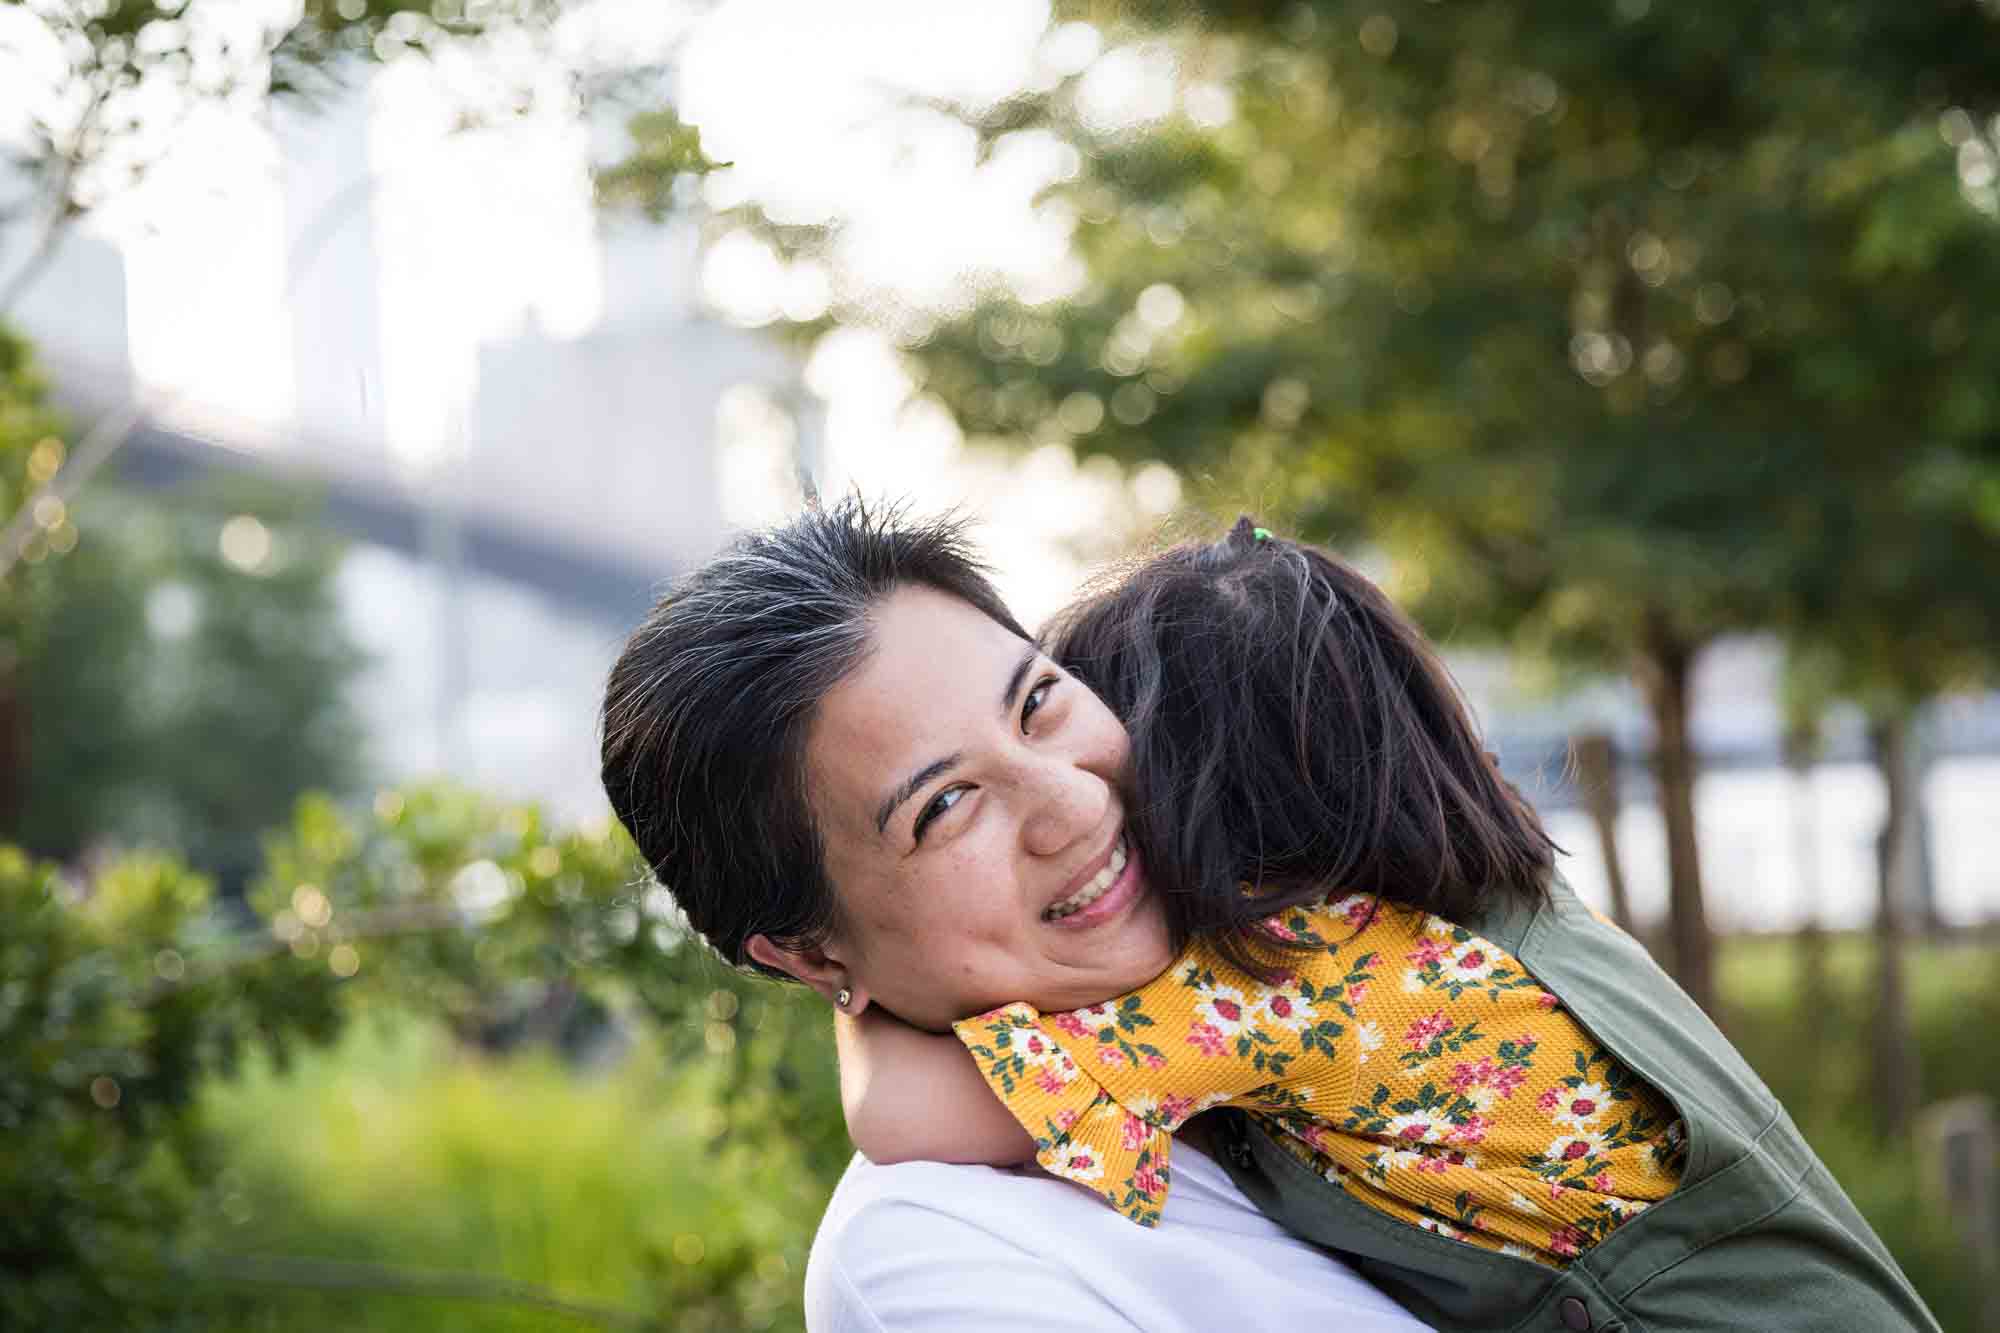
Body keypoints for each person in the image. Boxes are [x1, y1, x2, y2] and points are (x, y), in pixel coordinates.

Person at [601, 500, 1939, 1332]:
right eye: (942, 807)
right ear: (802, 942)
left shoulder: (1258, 989)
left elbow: (898, 1108)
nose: (1071, 800)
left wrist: (869, 1012)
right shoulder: (926, 1257)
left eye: (1041, 699)